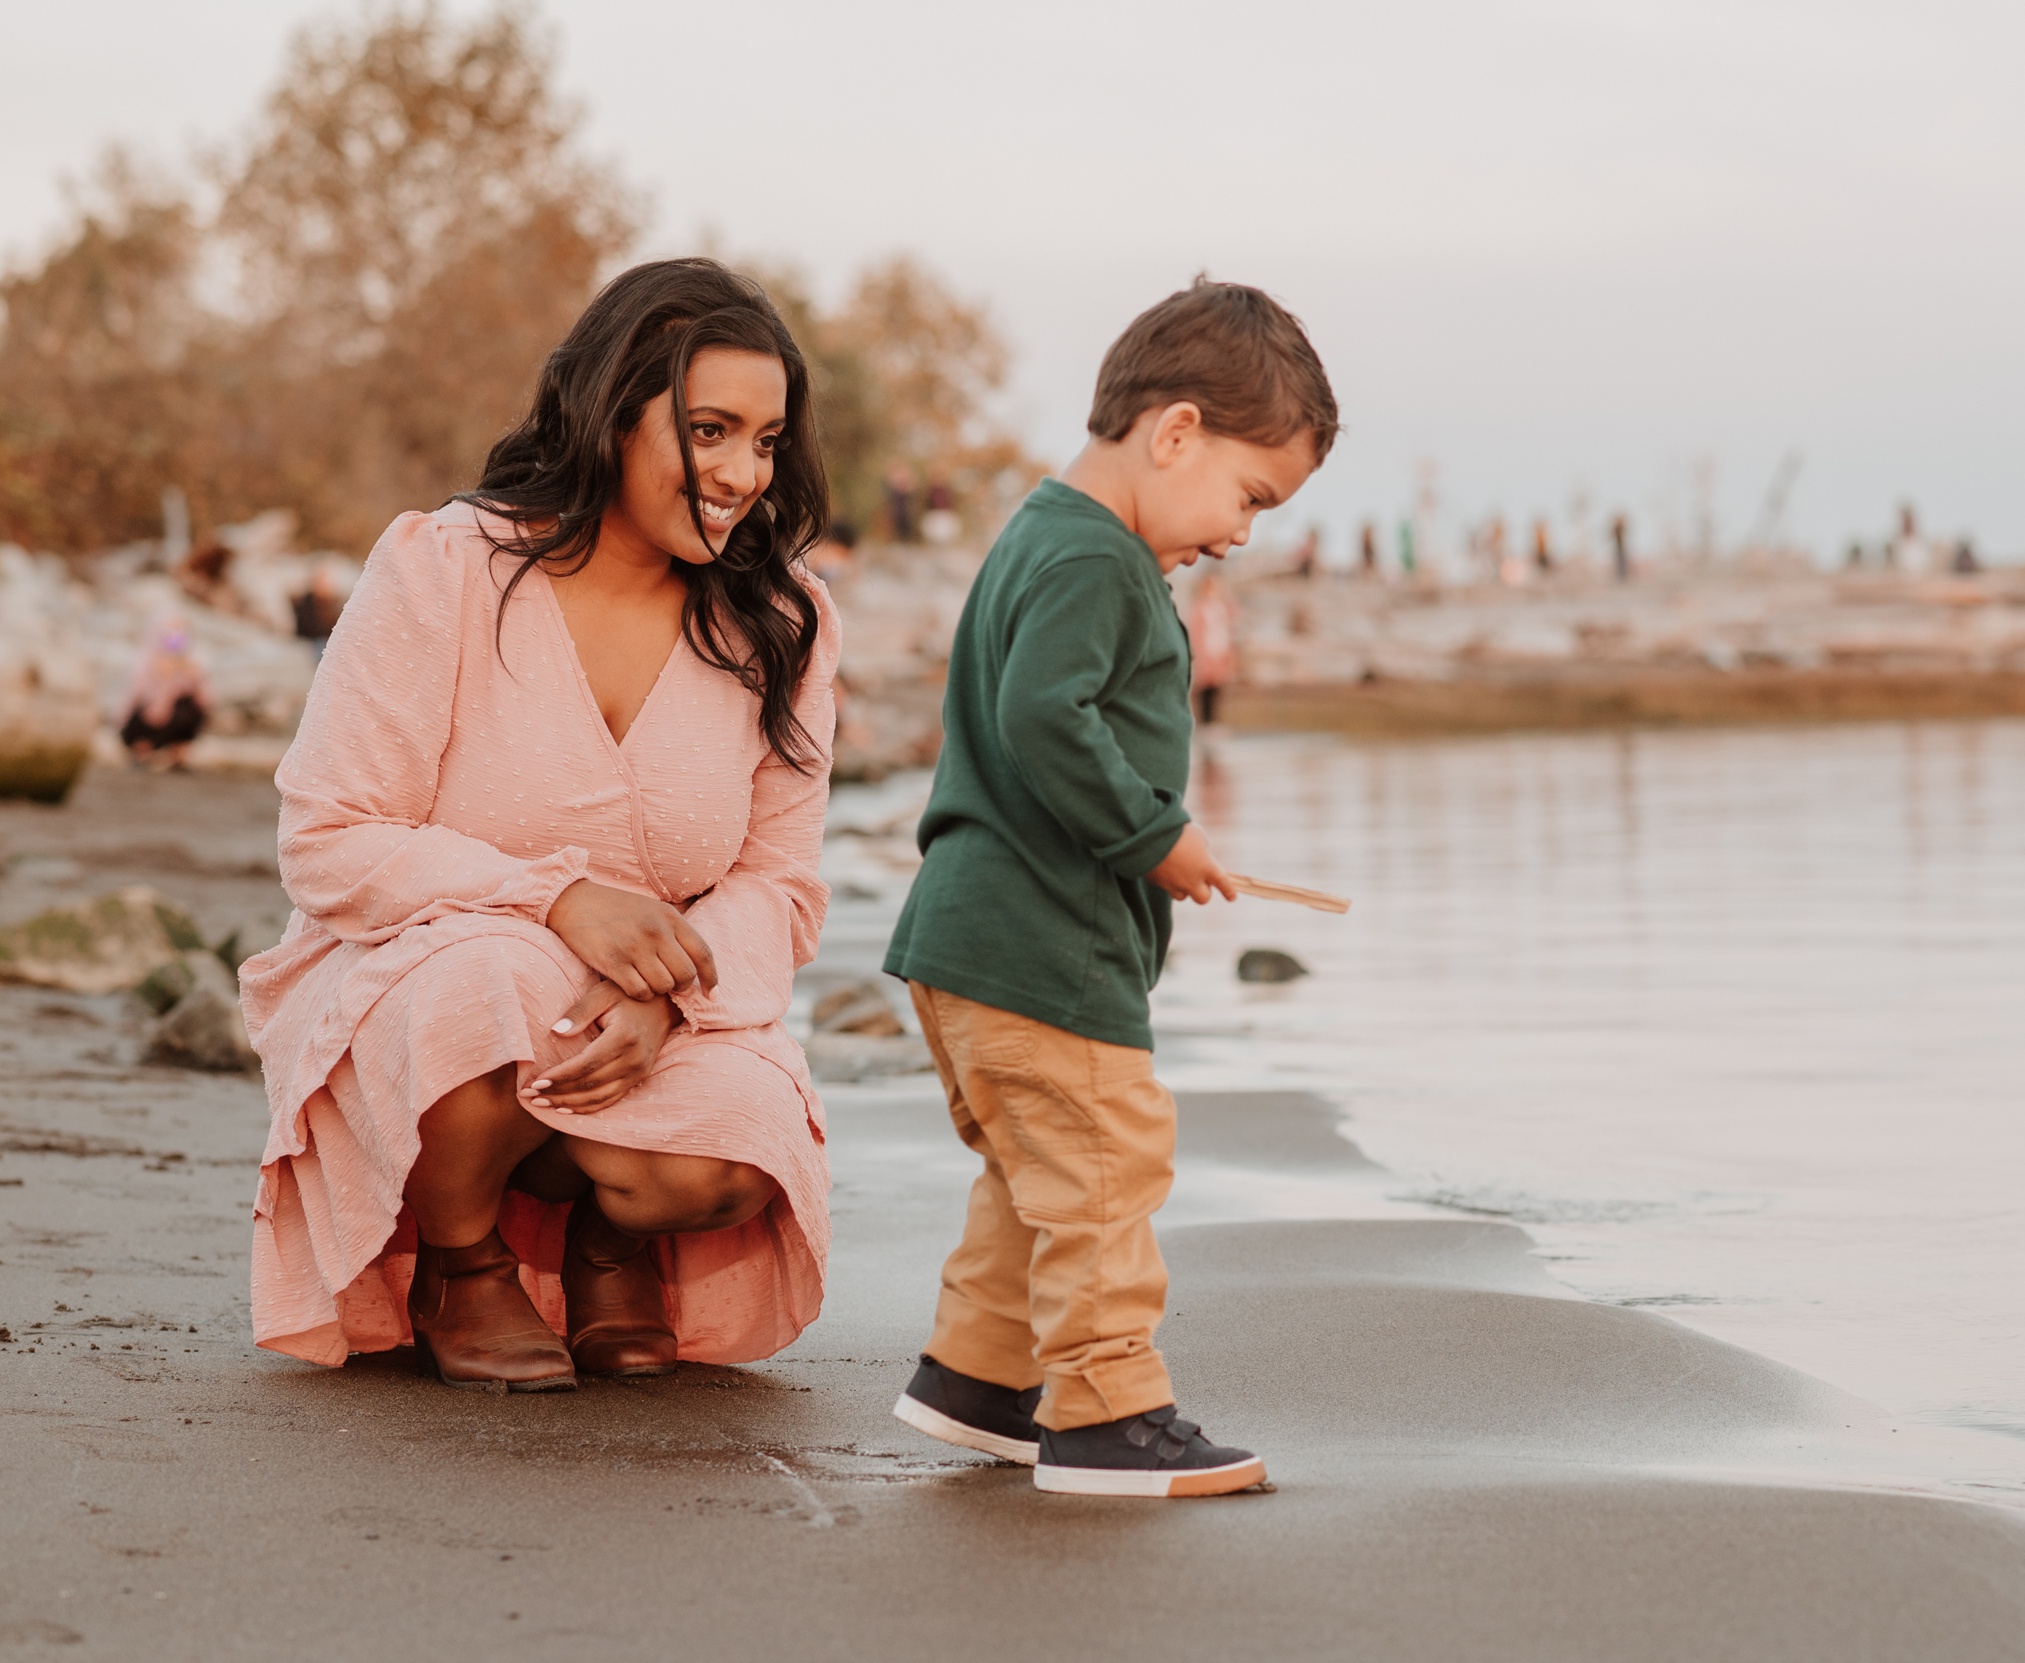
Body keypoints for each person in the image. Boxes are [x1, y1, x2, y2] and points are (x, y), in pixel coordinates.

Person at [237, 258, 841, 1393]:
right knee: (496, 971)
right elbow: (327, 834)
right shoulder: (448, 568)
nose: (741, 473)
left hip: (647, 1008)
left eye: (766, 440)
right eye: (709, 429)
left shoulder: (785, 622)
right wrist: (559, 899)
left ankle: (606, 1241)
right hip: (430, 978)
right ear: (612, 413)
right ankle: (462, 1263)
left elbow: (780, 884)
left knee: (742, 1148)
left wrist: (673, 990)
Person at [883, 277, 1335, 1497]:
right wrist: (1153, 835)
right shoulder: (1099, 559)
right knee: (1102, 1167)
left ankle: (976, 1379)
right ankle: (1105, 1410)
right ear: (1176, 431)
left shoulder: (1043, 531)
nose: (1243, 532)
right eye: (1250, 495)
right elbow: (1043, 714)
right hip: (1044, 940)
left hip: (970, 939)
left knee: (1033, 1179)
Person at [119, 620, 211, 768]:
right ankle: (142, 751)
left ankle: (178, 755)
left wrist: (186, 673)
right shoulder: (148, 661)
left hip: (173, 713)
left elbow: (203, 699)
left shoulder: (191, 663)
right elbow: (137, 697)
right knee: (150, 715)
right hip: (149, 714)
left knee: (187, 710)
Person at [1186, 568, 1240, 725]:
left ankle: (1214, 723)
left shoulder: (1221, 607)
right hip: (1207, 654)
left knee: (1218, 690)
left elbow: (1235, 615)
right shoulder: (1200, 607)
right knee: (1205, 691)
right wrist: (1201, 659)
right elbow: (1197, 634)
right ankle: (1205, 723)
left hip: (1220, 653)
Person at [291, 567, 344, 662]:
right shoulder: (306, 602)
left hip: (329, 638)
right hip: (313, 640)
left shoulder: (333, 602)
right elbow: (305, 624)